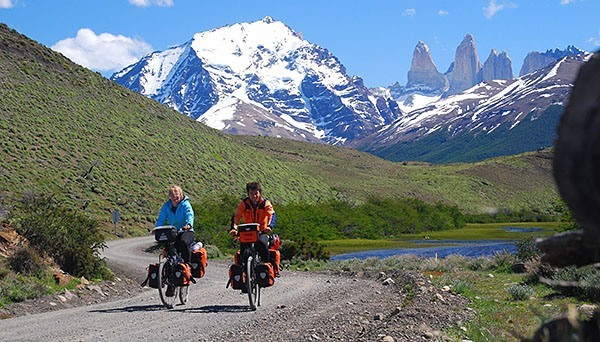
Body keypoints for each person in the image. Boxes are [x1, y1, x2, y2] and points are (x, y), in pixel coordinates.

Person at [229, 181, 276, 262]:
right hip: (248, 232)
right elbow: (237, 216)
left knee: (263, 247)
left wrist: (269, 226)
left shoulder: (265, 203)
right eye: (251, 193)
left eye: (256, 193)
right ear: (248, 194)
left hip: (262, 232)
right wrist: (234, 228)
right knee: (243, 251)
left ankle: (265, 268)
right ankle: (244, 271)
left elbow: (272, 215)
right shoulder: (244, 204)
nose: (254, 196)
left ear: (260, 193)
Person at [155, 185, 195, 264]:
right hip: (172, 231)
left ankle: (187, 265)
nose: (175, 197)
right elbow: (161, 218)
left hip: (185, 231)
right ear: (170, 196)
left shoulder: (185, 204)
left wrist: (188, 224)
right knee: (168, 244)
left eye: (177, 194)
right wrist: (157, 228)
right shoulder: (167, 206)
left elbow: (189, 214)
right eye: (172, 195)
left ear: (181, 194)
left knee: (183, 242)